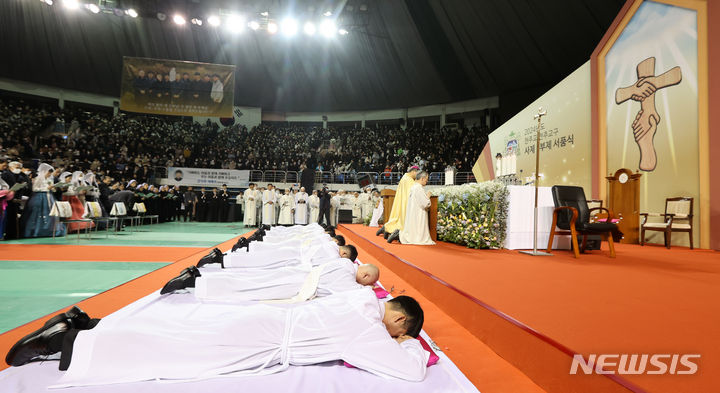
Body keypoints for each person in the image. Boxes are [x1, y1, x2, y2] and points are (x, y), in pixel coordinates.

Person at [6, 289, 427, 386]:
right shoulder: (369, 332)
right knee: (173, 353)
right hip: (262, 342)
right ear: (402, 322)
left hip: (267, 319)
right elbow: (412, 374)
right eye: (402, 331)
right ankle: (70, 342)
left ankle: (91, 325)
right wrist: (409, 346)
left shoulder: (358, 300)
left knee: (179, 329)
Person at [22, 163, 65, 238]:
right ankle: (37, 230)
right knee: (38, 213)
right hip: (39, 197)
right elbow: (34, 189)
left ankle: (50, 229)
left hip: (49, 196)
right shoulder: (38, 178)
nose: (49, 174)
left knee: (50, 213)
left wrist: (53, 188)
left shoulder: (49, 179)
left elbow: (53, 189)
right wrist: (46, 189)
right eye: (49, 173)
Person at [392, 171, 435, 245]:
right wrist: (428, 196)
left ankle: (399, 235)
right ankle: (399, 235)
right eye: (426, 179)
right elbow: (425, 204)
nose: (427, 181)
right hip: (418, 213)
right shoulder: (419, 188)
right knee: (417, 233)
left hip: (413, 211)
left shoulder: (414, 187)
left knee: (413, 229)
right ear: (422, 178)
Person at [379, 166, 419, 239]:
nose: (417, 176)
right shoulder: (409, 180)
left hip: (401, 200)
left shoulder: (405, 177)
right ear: (414, 171)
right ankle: (395, 232)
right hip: (405, 201)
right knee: (401, 220)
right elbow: (413, 192)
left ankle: (386, 228)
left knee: (396, 218)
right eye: (417, 173)